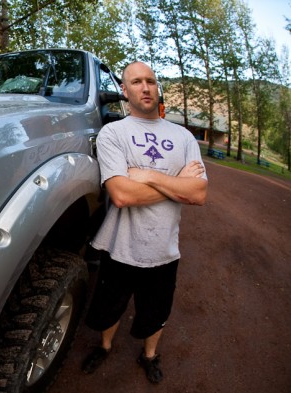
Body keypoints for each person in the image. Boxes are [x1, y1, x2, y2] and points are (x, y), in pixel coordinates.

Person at [81, 61, 208, 383]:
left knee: (156, 313)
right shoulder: (114, 133)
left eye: (150, 80)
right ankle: (106, 347)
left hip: (164, 250)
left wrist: (148, 176)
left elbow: (199, 193)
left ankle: (150, 355)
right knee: (110, 306)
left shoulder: (183, 137)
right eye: (136, 82)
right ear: (125, 91)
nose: (146, 87)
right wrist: (177, 183)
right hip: (119, 246)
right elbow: (122, 194)